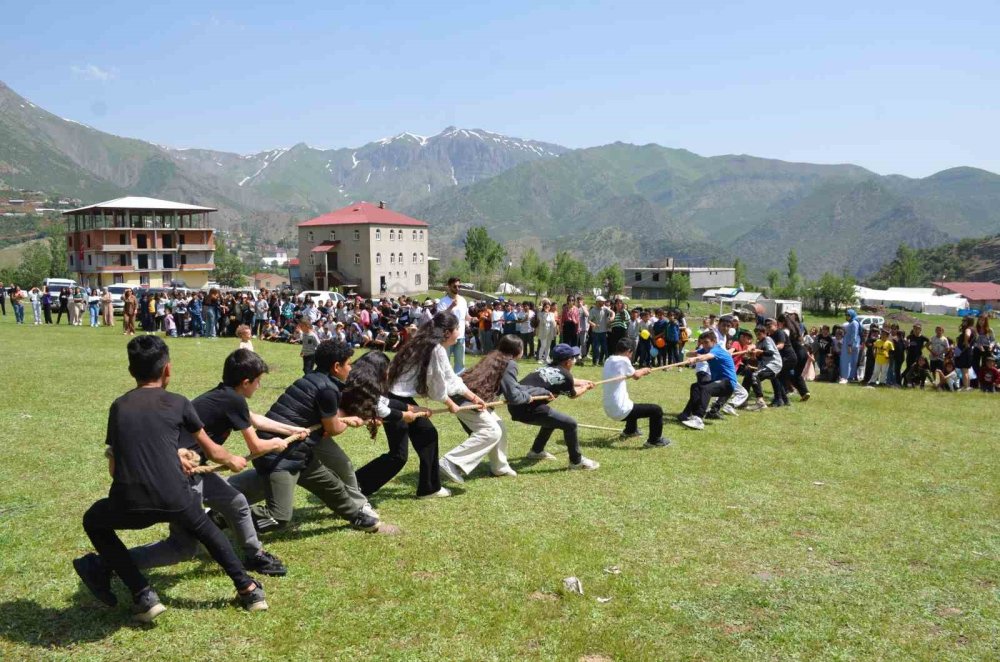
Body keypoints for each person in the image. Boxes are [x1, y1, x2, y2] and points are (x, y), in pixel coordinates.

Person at [72, 336, 267, 622]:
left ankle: (143, 595)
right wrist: (233, 460)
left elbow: (114, 468)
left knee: (93, 521)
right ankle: (249, 590)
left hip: (130, 503)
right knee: (208, 532)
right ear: (168, 370)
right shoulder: (179, 403)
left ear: (131, 371)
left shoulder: (119, 407)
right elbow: (212, 451)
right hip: (176, 498)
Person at [126, 350, 302, 577]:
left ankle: (254, 554)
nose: (259, 386)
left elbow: (254, 419)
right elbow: (256, 447)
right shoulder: (232, 399)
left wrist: (294, 431)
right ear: (246, 382)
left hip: (189, 470)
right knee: (182, 547)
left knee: (236, 502)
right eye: (258, 382)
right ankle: (109, 563)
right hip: (180, 472)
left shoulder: (225, 395)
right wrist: (278, 444)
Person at [228, 340, 388, 533]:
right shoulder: (328, 390)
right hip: (279, 454)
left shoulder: (312, 377)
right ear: (336, 367)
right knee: (278, 517)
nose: (351, 368)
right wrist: (351, 420)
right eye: (348, 363)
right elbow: (333, 428)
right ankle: (223, 514)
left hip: (299, 451)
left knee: (332, 486)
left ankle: (356, 517)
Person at [356, 312, 483, 498]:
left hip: (398, 396)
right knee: (399, 455)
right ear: (447, 332)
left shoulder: (428, 344)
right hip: (393, 398)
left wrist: (473, 397)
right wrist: (449, 403)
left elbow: (449, 377)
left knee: (427, 436)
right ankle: (356, 485)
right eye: (457, 329)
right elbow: (437, 386)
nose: (459, 333)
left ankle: (429, 488)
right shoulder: (434, 348)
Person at [439, 335, 521, 483]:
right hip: (469, 400)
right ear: (517, 350)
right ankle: (450, 462)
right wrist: (526, 398)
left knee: (499, 426)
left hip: (465, 396)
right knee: (491, 431)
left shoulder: (494, 356)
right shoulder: (510, 363)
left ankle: (499, 466)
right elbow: (513, 395)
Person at [507, 343, 600, 470]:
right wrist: (585, 388)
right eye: (573, 358)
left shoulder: (547, 367)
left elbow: (567, 379)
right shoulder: (564, 375)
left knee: (553, 420)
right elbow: (573, 394)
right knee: (570, 424)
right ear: (568, 362)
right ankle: (576, 462)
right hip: (526, 408)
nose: (575, 360)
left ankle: (536, 451)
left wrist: (584, 381)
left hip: (516, 406)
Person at [602, 338, 670, 447]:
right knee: (656, 410)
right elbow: (636, 376)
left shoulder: (608, 360)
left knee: (632, 405)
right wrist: (644, 370)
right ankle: (654, 441)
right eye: (631, 353)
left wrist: (640, 371)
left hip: (609, 407)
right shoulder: (623, 360)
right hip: (620, 410)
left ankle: (630, 430)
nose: (630, 356)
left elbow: (629, 374)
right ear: (628, 351)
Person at [677, 332, 737, 430]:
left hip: (728, 383)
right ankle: (688, 414)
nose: (704, 345)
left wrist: (696, 358)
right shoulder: (706, 349)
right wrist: (692, 355)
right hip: (718, 381)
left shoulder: (717, 350)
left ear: (714, 341)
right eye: (702, 343)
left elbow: (706, 357)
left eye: (706, 342)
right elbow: (690, 353)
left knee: (706, 389)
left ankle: (698, 418)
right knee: (696, 387)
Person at [744, 326, 785, 411]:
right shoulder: (759, 343)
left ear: (764, 333)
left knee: (755, 375)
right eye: (756, 334)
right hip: (765, 365)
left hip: (774, 364)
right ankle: (743, 400)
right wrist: (753, 355)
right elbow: (760, 358)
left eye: (759, 334)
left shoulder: (768, 339)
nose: (757, 336)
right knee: (749, 376)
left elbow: (770, 353)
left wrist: (759, 351)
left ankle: (760, 402)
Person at [436, 277, 471, 374]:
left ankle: (458, 382)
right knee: (445, 361)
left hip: (460, 336)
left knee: (460, 362)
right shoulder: (443, 301)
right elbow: (440, 316)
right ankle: (445, 381)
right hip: (447, 337)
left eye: (459, 286)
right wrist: (451, 306)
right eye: (455, 286)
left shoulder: (463, 300)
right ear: (449, 287)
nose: (457, 288)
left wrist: (472, 319)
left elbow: (466, 316)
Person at [839, 309, 861, 383]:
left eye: (848, 315)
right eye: (846, 315)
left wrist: (849, 345)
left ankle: (846, 377)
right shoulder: (851, 322)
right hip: (850, 344)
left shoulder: (854, 323)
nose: (847, 316)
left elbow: (853, 335)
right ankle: (849, 377)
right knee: (851, 361)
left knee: (847, 361)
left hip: (850, 344)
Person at [588, 296, 612, 366]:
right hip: (595, 332)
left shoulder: (605, 308)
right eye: (602, 302)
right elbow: (588, 320)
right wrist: (593, 324)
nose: (603, 303)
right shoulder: (593, 310)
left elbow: (612, 312)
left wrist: (612, 317)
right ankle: (595, 362)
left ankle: (607, 362)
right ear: (598, 302)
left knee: (605, 348)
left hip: (604, 332)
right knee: (596, 348)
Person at [536, 300, 558, 364]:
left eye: (548, 307)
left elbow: (553, 322)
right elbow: (543, 322)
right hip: (543, 332)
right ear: (543, 307)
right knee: (543, 345)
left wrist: (555, 329)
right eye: (546, 307)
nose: (547, 308)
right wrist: (545, 314)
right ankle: (540, 358)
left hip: (550, 332)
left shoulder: (552, 314)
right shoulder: (540, 314)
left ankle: (546, 358)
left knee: (548, 346)